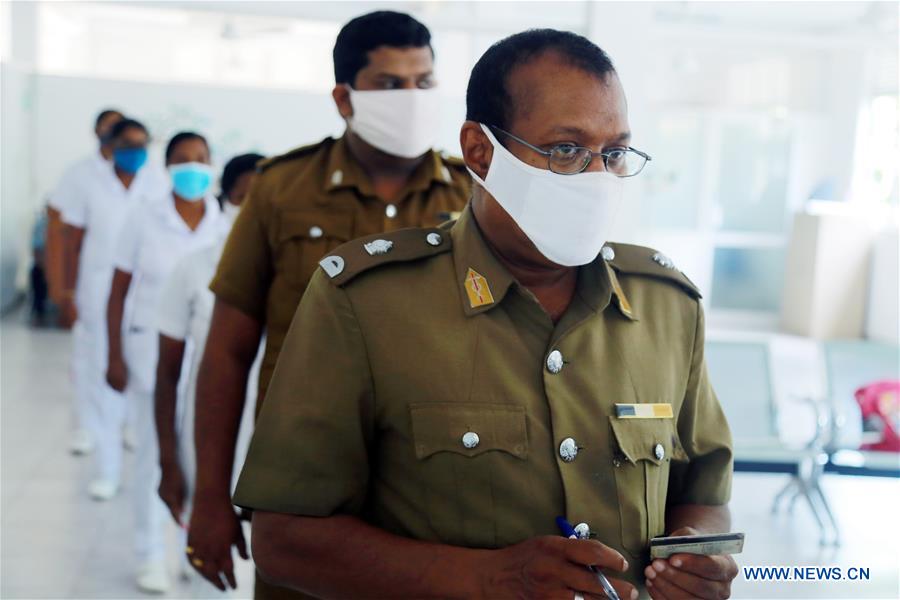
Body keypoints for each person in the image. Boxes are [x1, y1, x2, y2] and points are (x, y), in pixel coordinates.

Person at [233, 29, 738, 600]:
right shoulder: (368, 302)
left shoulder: (666, 306)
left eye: (615, 153)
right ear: (480, 151)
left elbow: (705, 493)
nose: (597, 178)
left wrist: (696, 553)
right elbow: (284, 538)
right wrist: (481, 577)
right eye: (566, 151)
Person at [188, 11, 471, 596]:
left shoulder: (473, 197)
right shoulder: (280, 188)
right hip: (304, 491)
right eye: (391, 85)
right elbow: (225, 352)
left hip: (434, 492)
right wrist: (210, 497)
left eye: (424, 82)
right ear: (345, 98)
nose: (412, 98)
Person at [106, 131, 222, 594]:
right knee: (155, 457)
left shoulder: (224, 224)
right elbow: (118, 290)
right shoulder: (144, 218)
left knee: (198, 459)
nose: (192, 168)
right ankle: (149, 554)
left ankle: (190, 549)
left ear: (212, 164)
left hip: (207, 365)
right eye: (182, 160)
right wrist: (112, 353)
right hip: (150, 354)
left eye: (200, 159)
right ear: (168, 167)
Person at [153, 153, 264, 597]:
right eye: (243, 198)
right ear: (226, 201)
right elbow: (167, 375)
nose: (253, 210)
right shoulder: (196, 267)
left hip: (278, 447)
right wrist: (167, 462)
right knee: (210, 575)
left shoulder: (309, 274)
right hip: (212, 441)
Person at [59, 117, 169, 488]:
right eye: (127, 145)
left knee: (143, 376)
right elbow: (71, 238)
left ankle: (132, 435)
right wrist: (67, 290)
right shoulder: (89, 180)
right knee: (102, 373)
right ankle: (105, 467)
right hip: (98, 291)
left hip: (144, 298)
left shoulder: (157, 182)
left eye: (142, 144)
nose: (135, 152)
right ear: (111, 146)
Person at [48, 108, 123, 453]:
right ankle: (85, 428)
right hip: (93, 285)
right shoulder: (80, 174)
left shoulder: (151, 176)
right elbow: (64, 237)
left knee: (130, 359)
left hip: (133, 291)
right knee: (88, 358)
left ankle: (125, 427)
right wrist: (62, 289)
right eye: (106, 128)